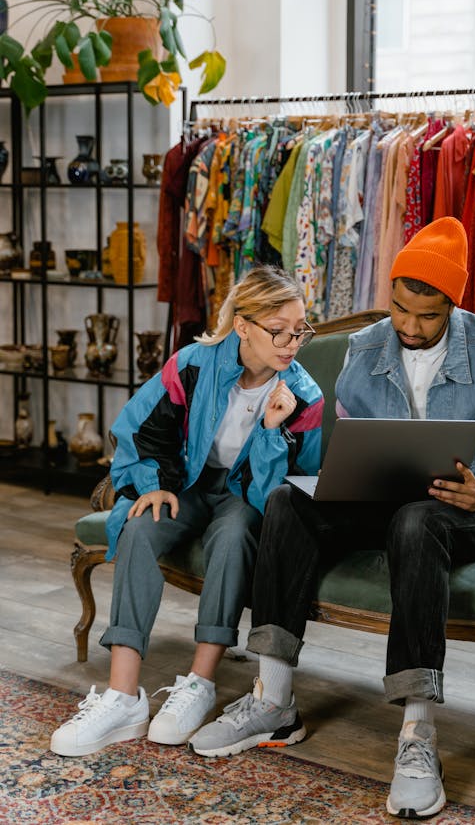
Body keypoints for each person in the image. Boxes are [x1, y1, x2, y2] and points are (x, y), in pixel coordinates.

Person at [189, 217, 475, 820]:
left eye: (427, 316)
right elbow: (358, 447)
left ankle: (417, 733)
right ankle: (274, 701)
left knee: (417, 520)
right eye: (399, 308)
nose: (408, 327)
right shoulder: (364, 349)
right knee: (287, 501)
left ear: (453, 305)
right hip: (387, 503)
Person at [50, 265, 324, 757]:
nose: (291, 343)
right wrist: (154, 485)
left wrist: (270, 431)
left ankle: (199, 683)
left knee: (234, 534)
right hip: (188, 484)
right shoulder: (193, 364)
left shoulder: (303, 397)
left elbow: (288, 493)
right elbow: (143, 426)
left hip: (246, 497)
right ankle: (123, 696)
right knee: (140, 526)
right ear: (243, 326)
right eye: (278, 330)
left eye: (299, 330)